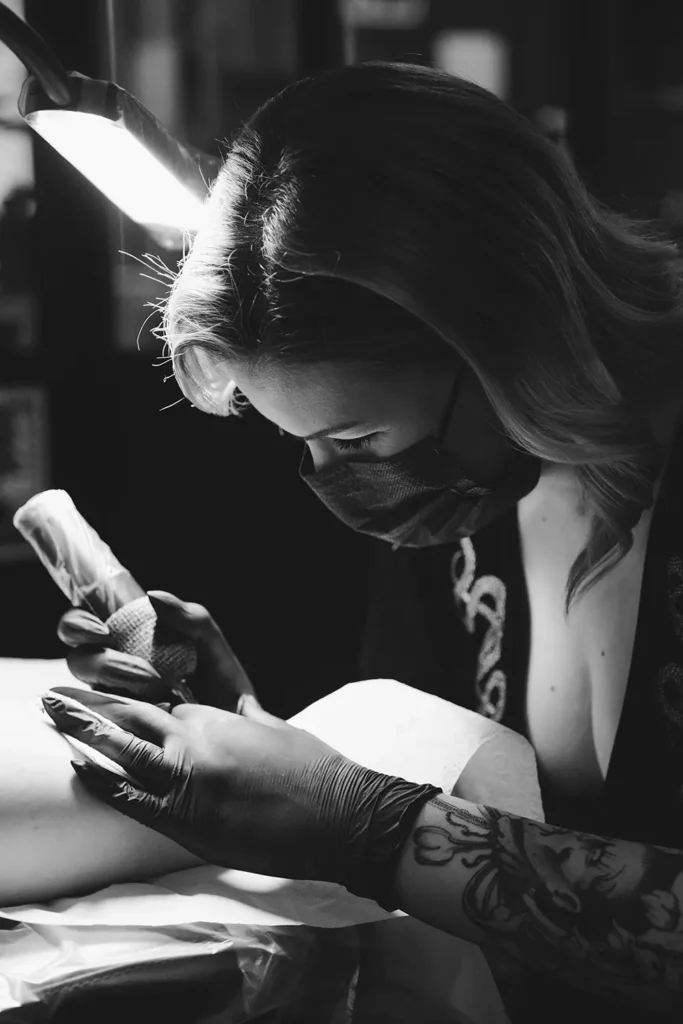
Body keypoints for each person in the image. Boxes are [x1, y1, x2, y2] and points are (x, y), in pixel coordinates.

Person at [37, 60, 683, 1019]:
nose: (338, 480)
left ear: (504, 335)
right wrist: (268, 749)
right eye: (301, 444)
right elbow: (461, 820)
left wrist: (361, 824)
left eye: (356, 439)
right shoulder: (469, 501)